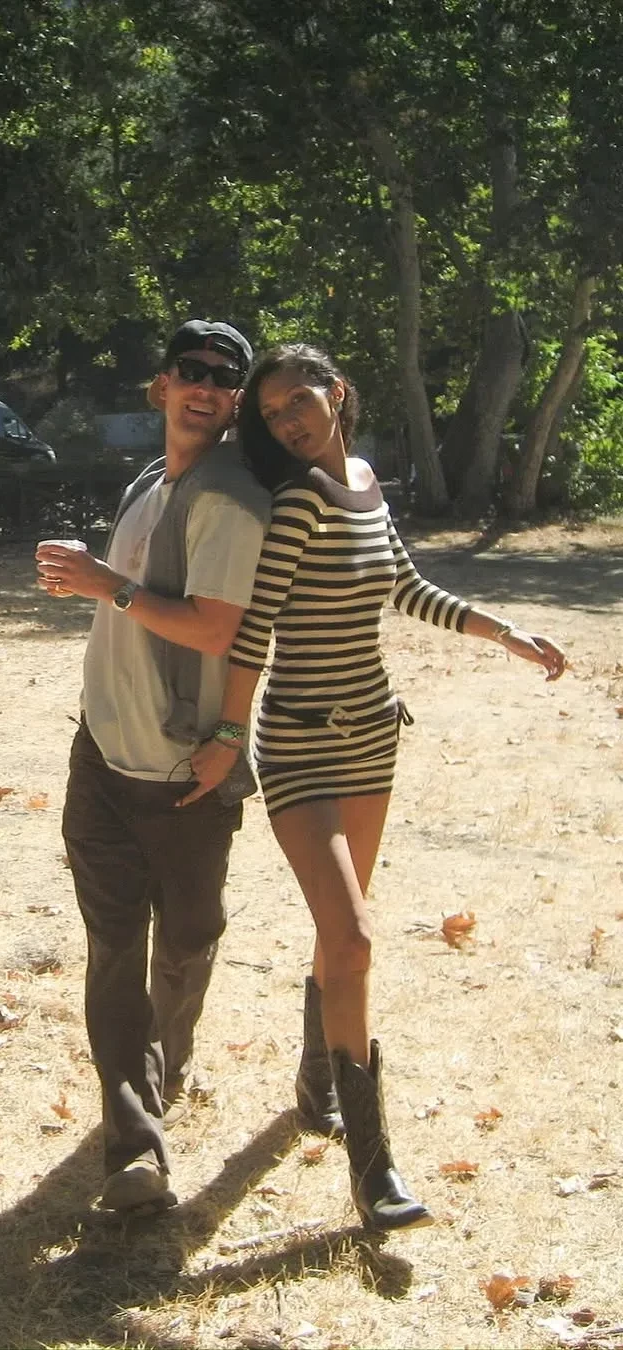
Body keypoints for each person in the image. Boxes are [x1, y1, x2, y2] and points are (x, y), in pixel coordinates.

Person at [180, 343, 566, 1232]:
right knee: (353, 934)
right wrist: (230, 737)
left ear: (337, 392)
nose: (288, 420)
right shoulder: (298, 502)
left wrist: (502, 632)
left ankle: (318, 1078)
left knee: (339, 931)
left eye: (298, 400)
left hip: (372, 743)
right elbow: (255, 632)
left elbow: (406, 587)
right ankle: (372, 1164)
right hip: (302, 747)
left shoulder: (363, 482)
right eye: (271, 413)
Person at [35, 320, 273, 1214]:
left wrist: (107, 584)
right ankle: (133, 1147)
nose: (205, 386)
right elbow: (133, 605)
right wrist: (94, 583)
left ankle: (166, 1062)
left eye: (224, 377)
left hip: (183, 772)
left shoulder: (230, 501)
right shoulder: (149, 482)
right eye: (191, 370)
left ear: (236, 401)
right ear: (162, 384)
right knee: (112, 948)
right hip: (101, 755)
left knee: (187, 939)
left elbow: (216, 629)